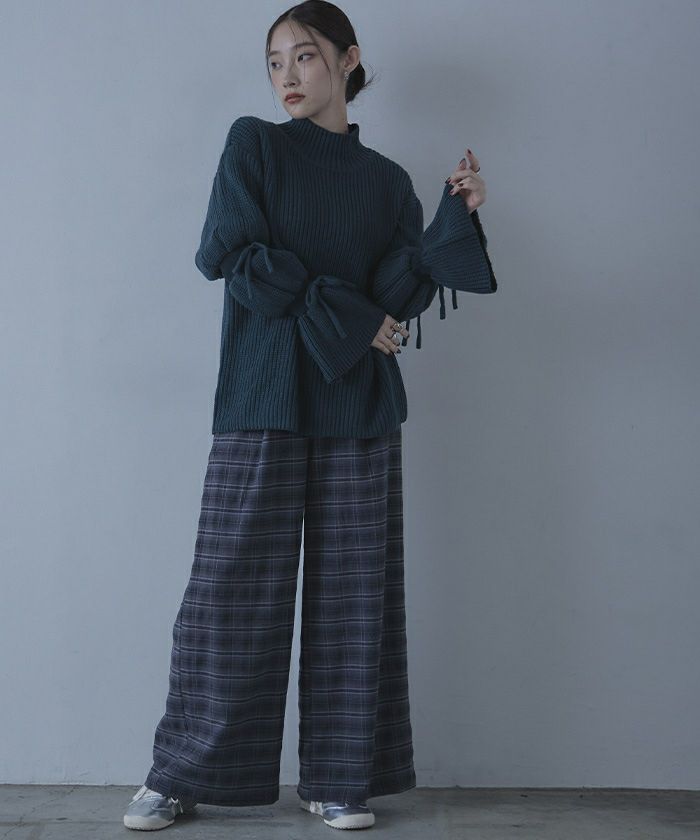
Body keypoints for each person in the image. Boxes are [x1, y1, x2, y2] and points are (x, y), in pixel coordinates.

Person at [123, 0, 497, 832]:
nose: (286, 75)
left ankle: (340, 777)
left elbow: (398, 292)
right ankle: (181, 772)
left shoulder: (387, 182)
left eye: (304, 55)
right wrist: (353, 318)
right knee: (230, 591)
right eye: (274, 61)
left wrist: (457, 216)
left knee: (354, 600)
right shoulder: (253, 146)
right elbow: (233, 253)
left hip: (357, 402)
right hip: (262, 395)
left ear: (348, 59)